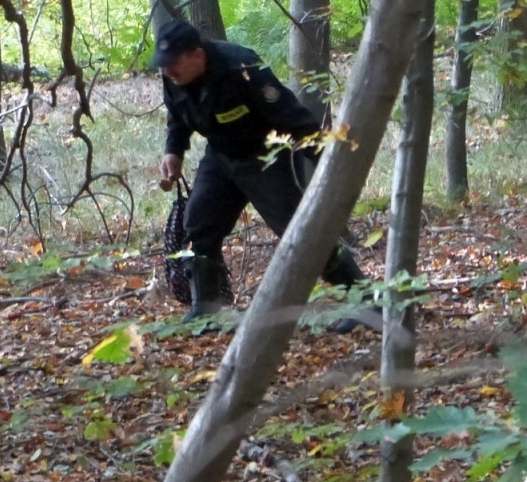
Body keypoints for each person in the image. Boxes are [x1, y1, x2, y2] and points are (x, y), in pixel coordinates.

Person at [153, 19, 370, 323]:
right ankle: (208, 308)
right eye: (163, 65)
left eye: (173, 64)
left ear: (197, 55)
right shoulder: (173, 77)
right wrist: (173, 151)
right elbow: (177, 116)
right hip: (220, 156)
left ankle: (367, 302)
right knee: (199, 224)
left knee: (301, 233)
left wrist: (325, 164)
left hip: (265, 157)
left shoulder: (240, 67)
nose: (167, 71)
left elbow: (291, 116)